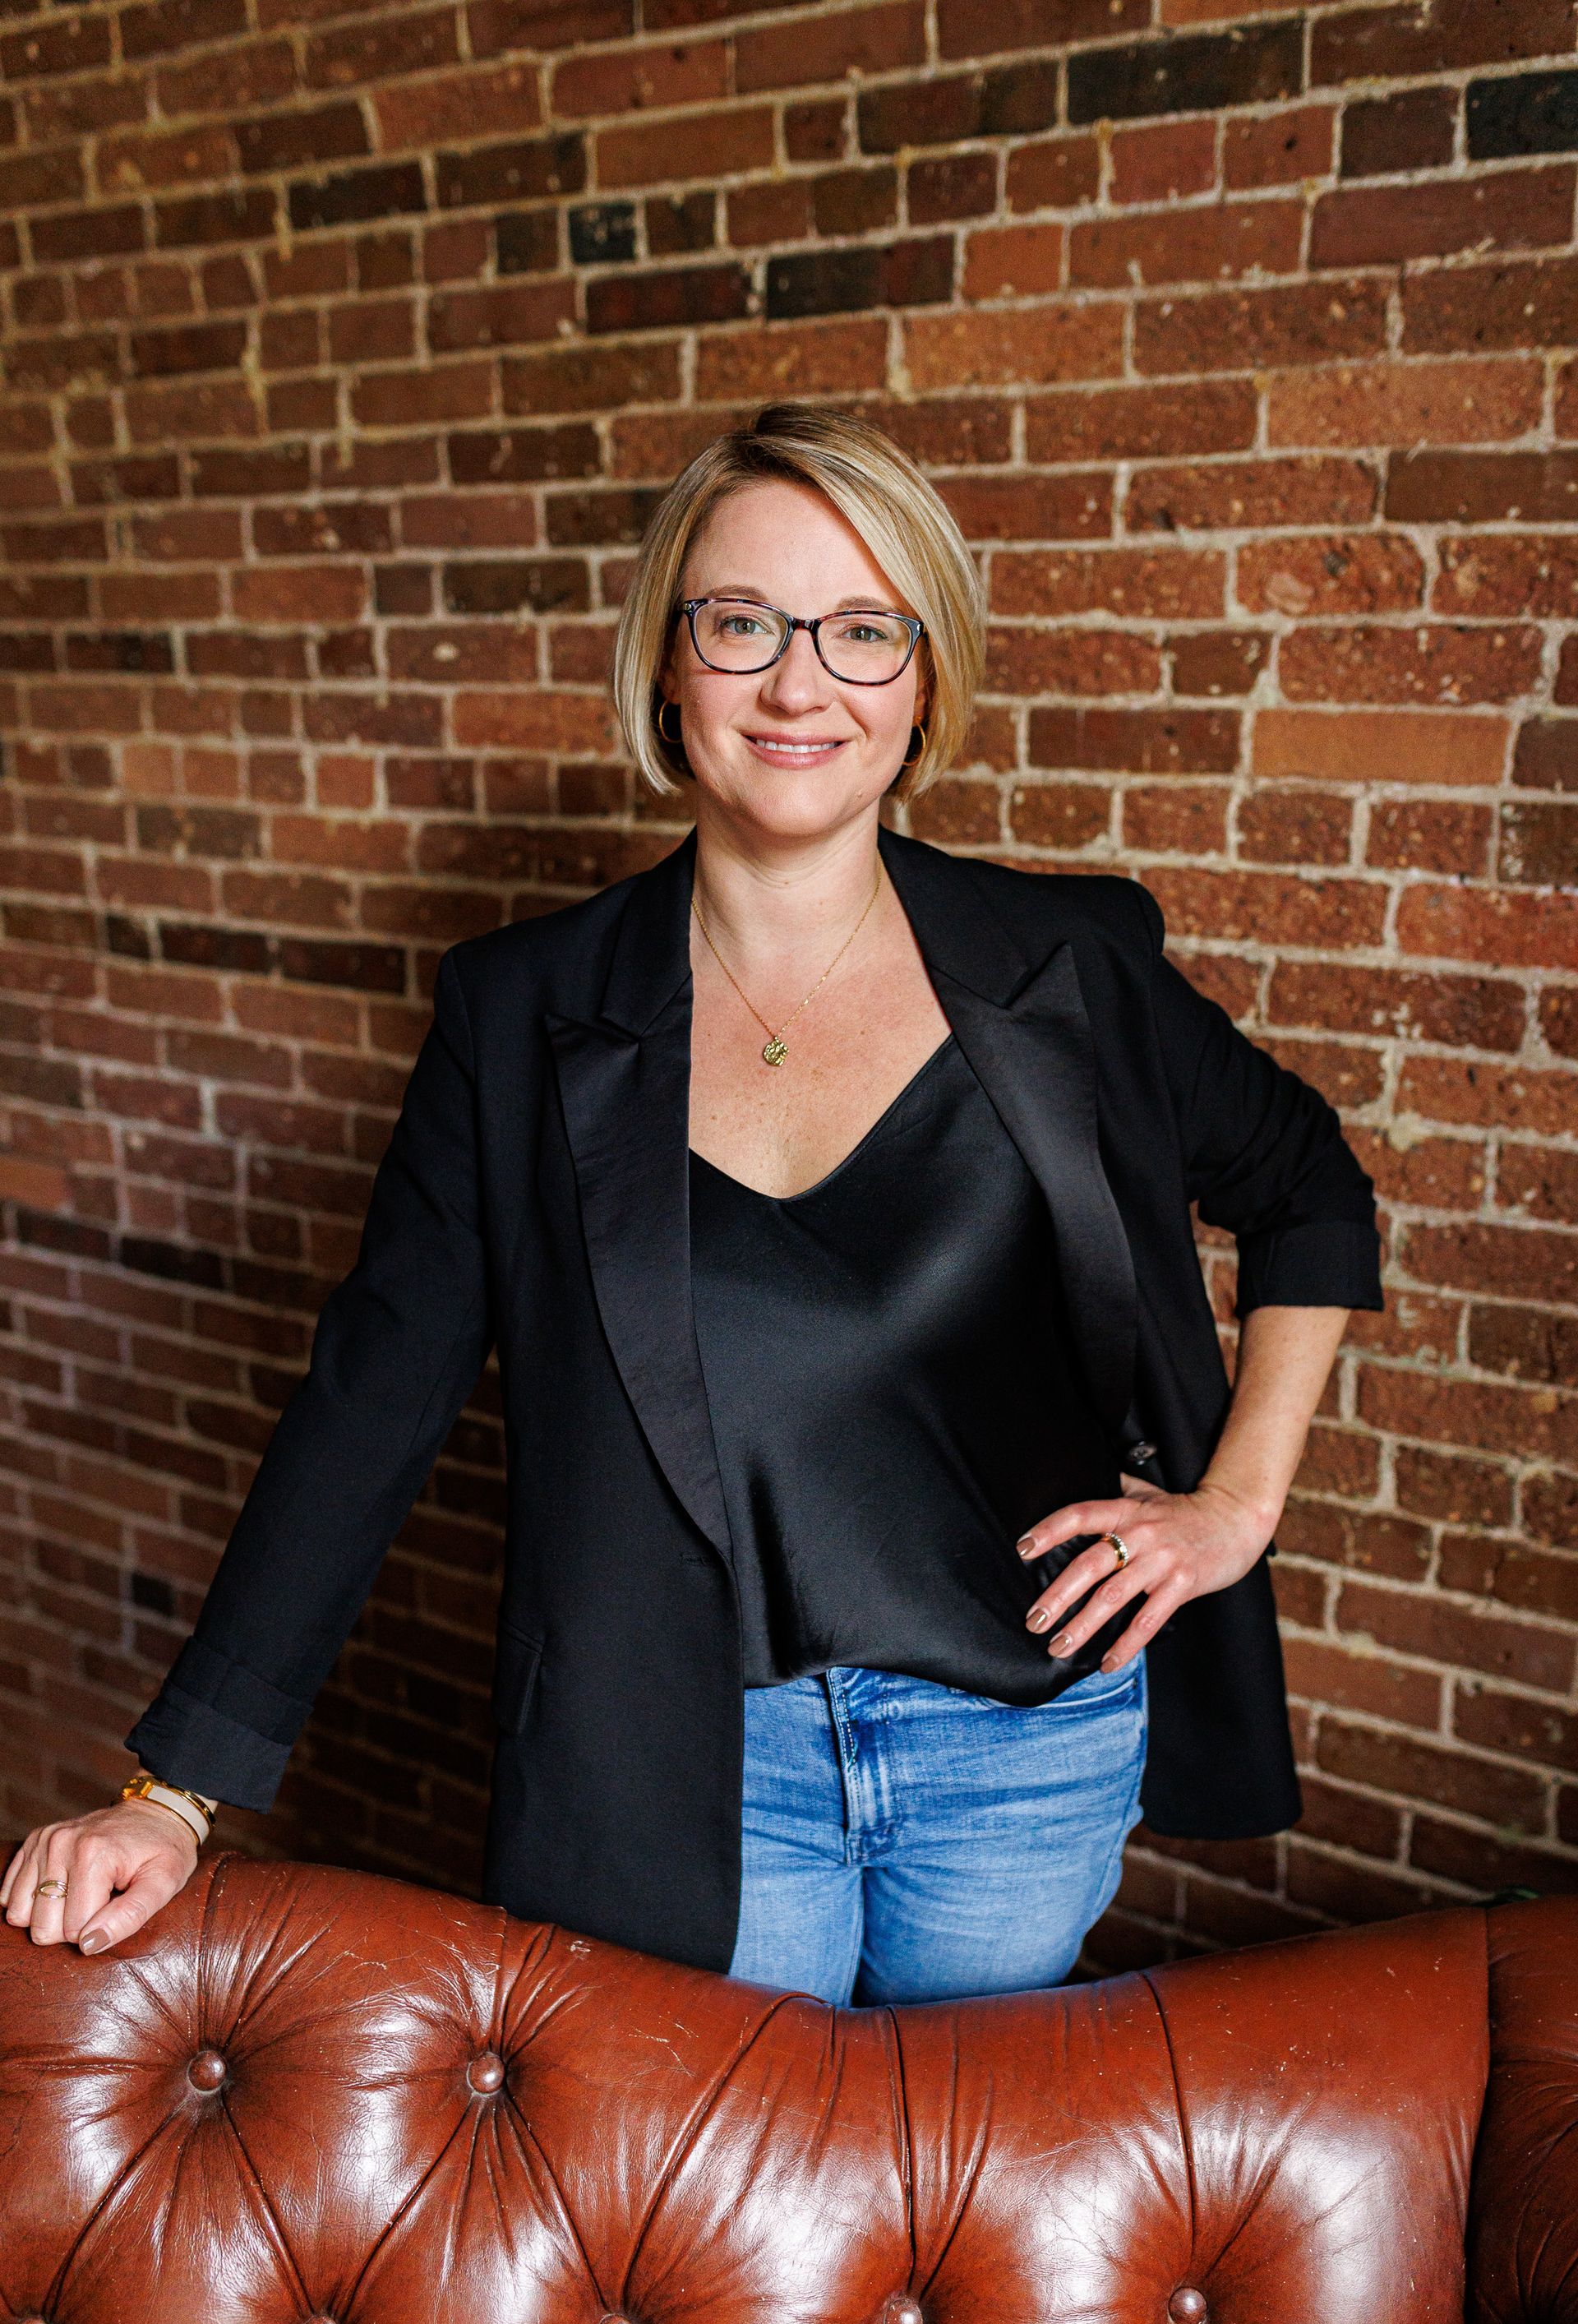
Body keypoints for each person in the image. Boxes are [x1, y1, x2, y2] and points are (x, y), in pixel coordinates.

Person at [2, 404, 1382, 2005]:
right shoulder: (520, 1015)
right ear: (670, 662)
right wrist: (175, 1794)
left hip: (1018, 1750)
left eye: (864, 631)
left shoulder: (1069, 967)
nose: (803, 684)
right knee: (725, 2240)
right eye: (746, 624)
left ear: (926, 679)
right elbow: (369, 1403)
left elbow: (1309, 1189)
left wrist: (1236, 1508)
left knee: (956, 2225)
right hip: (679, 1764)